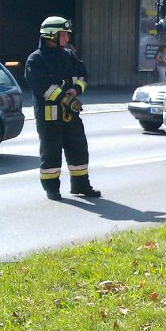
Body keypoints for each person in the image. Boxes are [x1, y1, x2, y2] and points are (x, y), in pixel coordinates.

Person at [24, 16, 101, 201]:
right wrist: (66, 98)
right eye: (64, 34)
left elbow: (83, 75)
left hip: (70, 114)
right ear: (51, 35)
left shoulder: (68, 56)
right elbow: (42, 87)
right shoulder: (35, 60)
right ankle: (52, 188)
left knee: (78, 147)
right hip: (49, 115)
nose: (67, 39)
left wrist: (76, 89)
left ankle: (80, 185)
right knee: (51, 152)